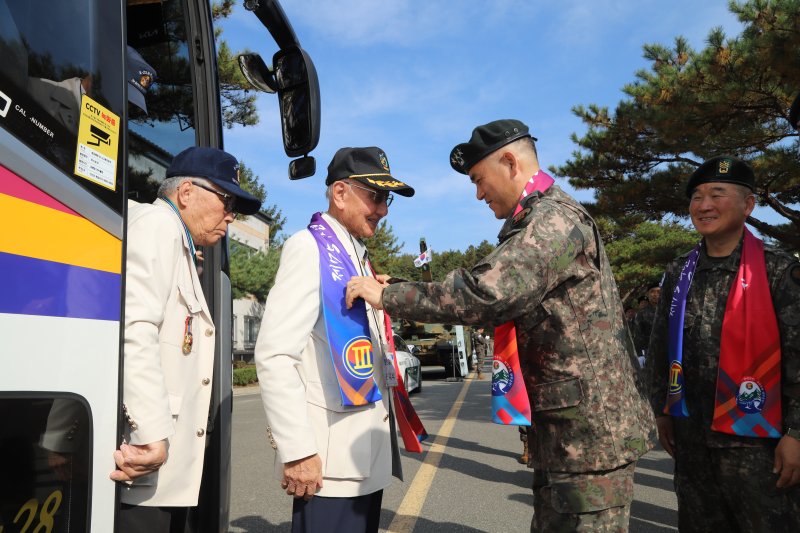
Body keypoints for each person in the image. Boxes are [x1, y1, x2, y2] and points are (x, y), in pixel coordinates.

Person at [346, 119, 655, 532]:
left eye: (479, 179)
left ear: (509, 162)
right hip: (571, 435)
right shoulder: (540, 217)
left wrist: (388, 296)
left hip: (589, 439)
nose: (478, 194)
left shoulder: (550, 221)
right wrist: (402, 286)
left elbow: (488, 293)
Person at [254, 147, 415, 533]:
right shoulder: (309, 248)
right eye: (375, 196)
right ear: (340, 193)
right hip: (329, 465)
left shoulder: (356, 255)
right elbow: (275, 355)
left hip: (361, 458)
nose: (383, 210)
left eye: (386, 199)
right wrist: (298, 452)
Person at [110, 146, 261, 532]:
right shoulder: (158, 227)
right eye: (226, 200)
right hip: (143, 460)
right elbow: (132, 329)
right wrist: (150, 435)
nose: (231, 215)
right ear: (186, 193)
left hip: (157, 467)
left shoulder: (179, 242)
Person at [646, 155, 800, 531]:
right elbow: (660, 348)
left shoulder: (778, 270)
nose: (704, 205)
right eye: (697, 197)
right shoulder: (678, 271)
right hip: (692, 444)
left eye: (717, 193)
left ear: (748, 204)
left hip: (760, 450)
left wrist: (797, 434)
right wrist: (661, 410)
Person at [632, 282, 660, 367]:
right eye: (652, 291)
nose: (655, 294)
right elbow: (638, 335)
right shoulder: (642, 313)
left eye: (658, 292)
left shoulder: (669, 310)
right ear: (648, 294)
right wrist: (640, 355)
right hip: (650, 352)